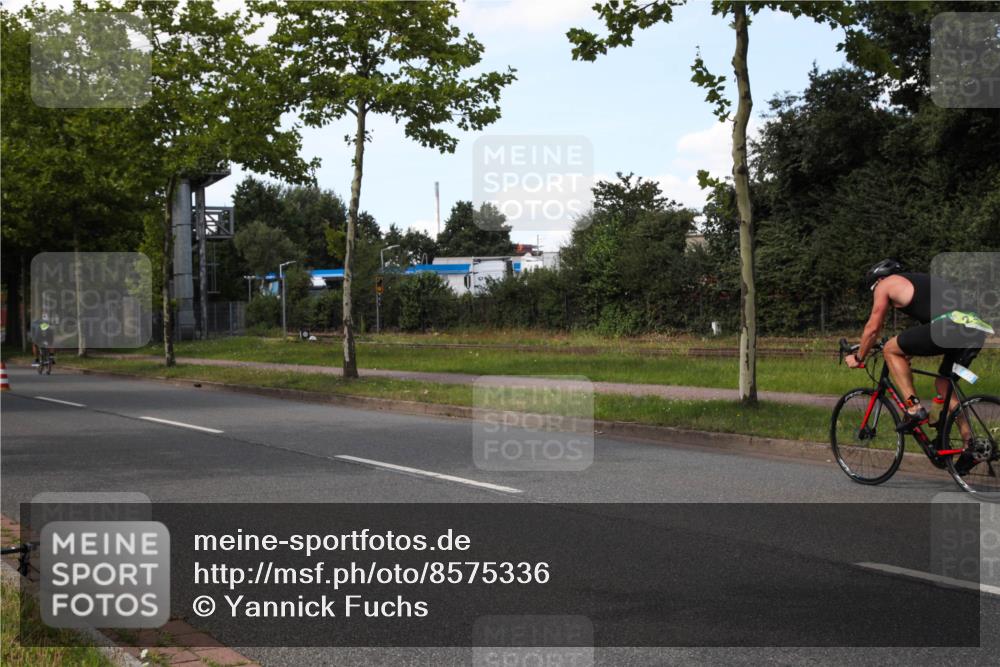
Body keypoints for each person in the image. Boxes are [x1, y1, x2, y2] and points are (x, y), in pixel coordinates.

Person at [846, 260, 992, 472]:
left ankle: (913, 407)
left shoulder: (886, 284)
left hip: (950, 325)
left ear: (878, 280)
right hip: (974, 329)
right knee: (944, 384)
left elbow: (873, 327)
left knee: (889, 348)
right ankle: (972, 446)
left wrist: (859, 357)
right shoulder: (921, 281)